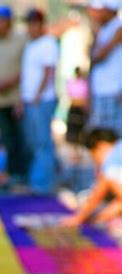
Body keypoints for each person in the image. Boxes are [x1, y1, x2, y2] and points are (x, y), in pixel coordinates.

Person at [0, 5, 27, 182]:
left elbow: (27, 69)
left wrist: (9, 82)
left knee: (21, 140)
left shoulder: (21, 41)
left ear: (8, 21)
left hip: (18, 100)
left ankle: (23, 176)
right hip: (1, 101)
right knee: (7, 141)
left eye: (0, 19)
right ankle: (12, 175)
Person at [20, 8, 59, 194]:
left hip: (42, 100)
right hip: (30, 100)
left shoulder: (48, 43)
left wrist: (37, 95)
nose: (30, 28)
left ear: (41, 24)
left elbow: (48, 72)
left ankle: (43, 184)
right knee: (34, 141)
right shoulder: (31, 45)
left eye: (33, 24)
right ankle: (39, 180)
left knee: (43, 142)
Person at [61, 128, 122, 227]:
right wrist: (100, 218)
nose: (96, 162)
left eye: (93, 155)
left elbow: (98, 194)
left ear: (101, 146)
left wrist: (78, 218)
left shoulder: (111, 160)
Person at [87, 0, 122, 137]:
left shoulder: (118, 28)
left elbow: (99, 55)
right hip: (101, 92)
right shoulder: (103, 30)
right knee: (99, 139)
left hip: (113, 93)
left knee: (112, 138)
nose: (96, 14)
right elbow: (92, 56)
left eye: (100, 10)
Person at [66, 67, 89, 145]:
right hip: (74, 107)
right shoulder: (71, 82)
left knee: (80, 130)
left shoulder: (84, 82)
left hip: (81, 107)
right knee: (73, 130)